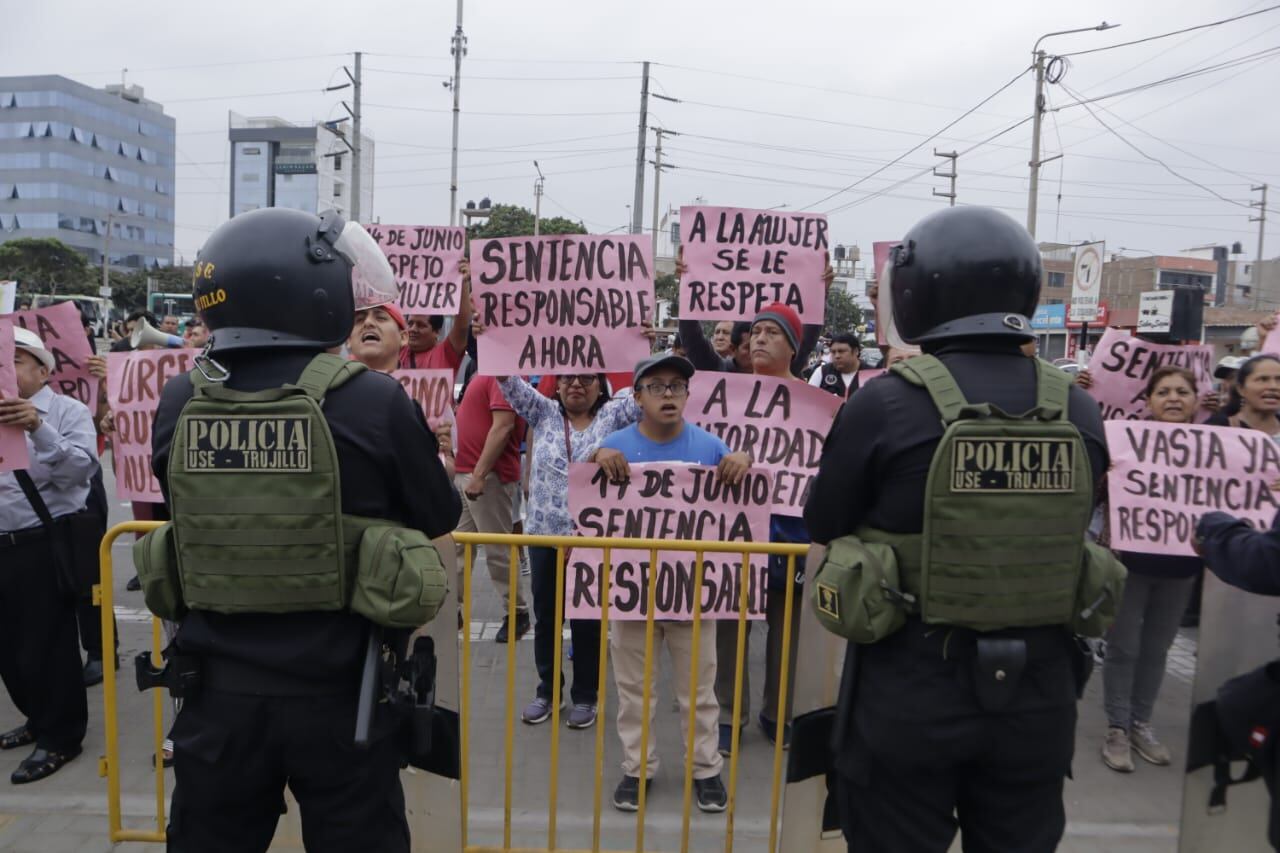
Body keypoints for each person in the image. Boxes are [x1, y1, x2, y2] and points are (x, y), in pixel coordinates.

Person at [149, 208, 459, 852]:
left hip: (215, 695)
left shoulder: (182, 398)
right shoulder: (373, 399)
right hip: (342, 695)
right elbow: (438, 515)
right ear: (313, 294)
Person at [805, 206, 1110, 853]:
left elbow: (823, 519)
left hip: (908, 688)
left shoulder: (885, 401)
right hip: (1040, 694)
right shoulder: (1077, 406)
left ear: (920, 290)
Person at [591, 354, 751, 814]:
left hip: (693, 594)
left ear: (687, 395)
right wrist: (596, 454)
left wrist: (744, 458)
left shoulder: (710, 446)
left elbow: (743, 487)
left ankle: (706, 770)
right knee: (633, 690)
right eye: (656, 386)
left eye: (676, 386)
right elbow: (584, 495)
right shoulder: (613, 444)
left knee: (699, 691)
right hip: (631, 594)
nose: (667, 394)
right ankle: (636, 768)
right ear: (636, 396)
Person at [497, 370, 641, 729]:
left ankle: (586, 697)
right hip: (545, 538)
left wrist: (640, 346)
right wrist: (488, 336)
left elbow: (643, 396)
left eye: (587, 378)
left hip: (591, 541)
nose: (576, 384)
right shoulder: (544, 413)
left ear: (600, 385)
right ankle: (547, 691)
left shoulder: (612, 415)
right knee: (547, 618)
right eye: (567, 378)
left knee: (588, 622)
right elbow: (507, 380)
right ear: (557, 385)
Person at [714, 302, 813, 755]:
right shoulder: (724, 397)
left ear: (793, 347)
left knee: (787, 630)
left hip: (792, 533)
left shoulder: (816, 406)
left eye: (772, 332)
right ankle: (729, 716)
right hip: (736, 532)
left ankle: (779, 713)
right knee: (731, 626)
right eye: (754, 331)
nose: (758, 339)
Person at [0, 327, 95, 783]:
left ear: (42, 370)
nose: (6, 367)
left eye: (16, 359)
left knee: (48, 645)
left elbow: (81, 472)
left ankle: (61, 737)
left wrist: (37, 428)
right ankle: (36, 718)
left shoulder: (67, 411)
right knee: (9, 648)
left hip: (42, 541)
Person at [1098, 366, 1203, 773]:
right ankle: (1117, 728)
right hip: (1129, 564)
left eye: (1182, 391)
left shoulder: (1215, 448)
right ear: (1149, 401)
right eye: (1164, 392)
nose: (1174, 398)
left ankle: (1141, 722)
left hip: (1181, 568)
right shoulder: (1125, 445)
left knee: (1157, 650)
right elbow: (1095, 497)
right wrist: (1107, 478)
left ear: (1196, 400)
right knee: (1123, 648)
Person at [454, 372, 530, 642]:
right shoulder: (484, 374)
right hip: (469, 472)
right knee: (458, 549)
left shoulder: (503, 375)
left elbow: (504, 426)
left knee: (498, 549)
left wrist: (480, 474)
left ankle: (517, 613)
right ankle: (454, 610)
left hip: (486, 477)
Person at [1205, 353, 1280, 433]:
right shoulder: (1215, 428)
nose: (1273, 386)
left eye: (1279, 380)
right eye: (1263, 379)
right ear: (1240, 388)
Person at [808, 332, 862, 398]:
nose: (837, 356)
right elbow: (808, 400)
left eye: (841, 351)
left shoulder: (871, 375)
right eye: (833, 352)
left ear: (856, 351)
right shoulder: (822, 372)